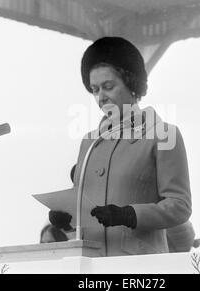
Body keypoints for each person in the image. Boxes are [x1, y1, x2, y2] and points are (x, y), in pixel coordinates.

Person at [50, 36, 192, 256]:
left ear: (132, 84)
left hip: (141, 268)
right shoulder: (89, 142)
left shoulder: (164, 135)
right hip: (90, 266)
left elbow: (179, 206)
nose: (100, 97)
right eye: (95, 89)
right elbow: (84, 208)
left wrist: (130, 215)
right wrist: (67, 218)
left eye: (108, 86)